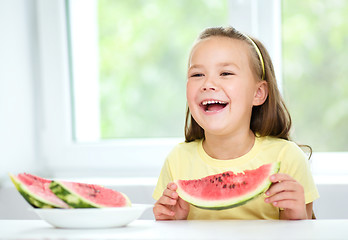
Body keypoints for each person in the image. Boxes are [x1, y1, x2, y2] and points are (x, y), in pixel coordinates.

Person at [152, 26, 319, 220]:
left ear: (258, 93)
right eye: (197, 75)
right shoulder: (177, 160)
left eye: (226, 73)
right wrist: (171, 222)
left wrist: (296, 216)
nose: (208, 84)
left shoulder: (287, 157)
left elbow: (305, 233)